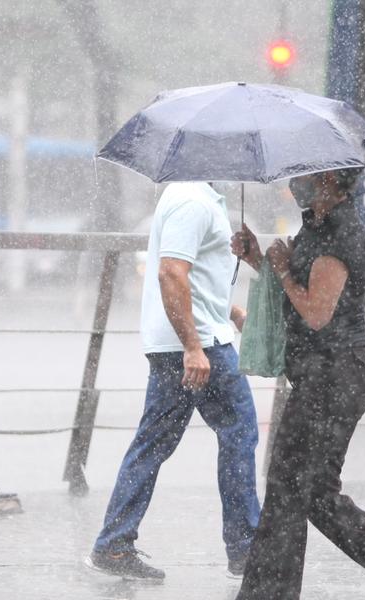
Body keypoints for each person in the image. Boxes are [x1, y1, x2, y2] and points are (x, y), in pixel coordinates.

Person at [231, 169, 365, 600]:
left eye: (306, 174)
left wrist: (280, 266)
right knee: (313, 494)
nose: (298, 181)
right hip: (324, 375)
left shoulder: (341, 233)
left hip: (335, 375)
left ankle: (267, 595)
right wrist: (258, 258)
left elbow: (316, 311)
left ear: (331, 177)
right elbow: (295, 286)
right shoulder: (314, 225)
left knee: (286, 489)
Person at [87, 181, 260, 580]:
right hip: (199, 346)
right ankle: (246, 548)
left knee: (153, 443)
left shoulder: (192, 197)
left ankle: (114, 543)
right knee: (238, 433)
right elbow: (170, 273)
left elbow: (192, 278)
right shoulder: (192, 202)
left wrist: (229, 313)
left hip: (193, 338)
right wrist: (193, 347)